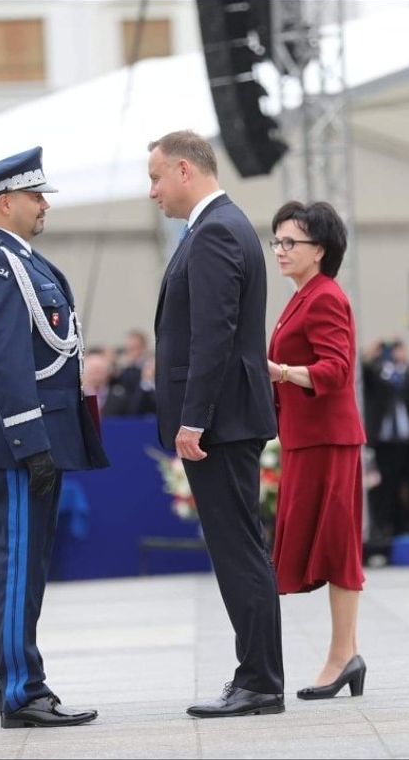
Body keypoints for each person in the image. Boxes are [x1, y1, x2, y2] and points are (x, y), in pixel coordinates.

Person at [0, 146, 109, 729]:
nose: (44, 205)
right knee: (18, 568)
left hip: (39, 438)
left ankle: (28, 684)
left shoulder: (23, 260)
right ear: (5, 203)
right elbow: (3, 361)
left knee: (30, 568)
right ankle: (21, 692)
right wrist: (31, 443)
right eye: (35, 195)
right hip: (19, 443)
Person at [147, 130, 283, 718]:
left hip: (221, 422)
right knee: (240, 548)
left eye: (156, 177)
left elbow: (213, 335)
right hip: (227, 418)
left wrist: (194, 419)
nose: (152, 191)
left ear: (184, 170)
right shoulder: (218, 227)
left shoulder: (215, 232)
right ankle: (257, 676)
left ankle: (260, 681)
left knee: (238, 551)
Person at [265, 200, 369, 700]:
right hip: (306, 439)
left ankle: (342, 655)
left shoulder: (325, 297)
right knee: (329, 545)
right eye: (277, 241)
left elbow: (337, 370)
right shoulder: (301, 297)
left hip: (329, 439)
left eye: (291, 242)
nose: (280, 250)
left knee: (338, 546)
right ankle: (346, 653)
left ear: (320, 250)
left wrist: (280, 372)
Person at [362, 338, 409, 539]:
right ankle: (387, 530)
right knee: (385, 490)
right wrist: (370, 356)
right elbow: (363, 377)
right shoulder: (378, 373)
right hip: (385, 443)